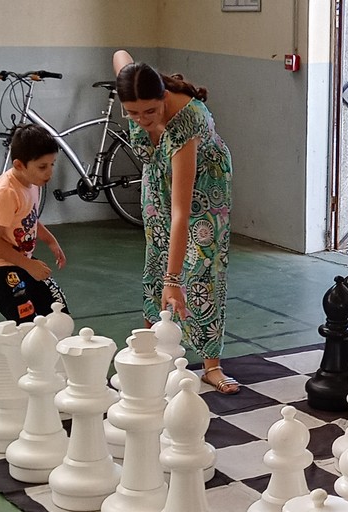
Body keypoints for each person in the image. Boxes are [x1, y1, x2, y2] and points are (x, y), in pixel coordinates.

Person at [113, 50, 238, 394]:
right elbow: (120, 56)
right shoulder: (136, 90)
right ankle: (149, 351)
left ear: (164, 97)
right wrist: (129, 72)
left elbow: (182, 213)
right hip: (157, 181)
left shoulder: (187, 122)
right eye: (132, 113)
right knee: (156, 257)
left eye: (150, 111)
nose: (141, 119)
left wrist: (174, 280)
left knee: (202, 270)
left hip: (203, 192)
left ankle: (211, 365)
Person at [0, 124, 69, 324]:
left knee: (57, 308)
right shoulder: (6, 193)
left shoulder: (32, 182)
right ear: (19, 165)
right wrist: (28, 265)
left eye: (52, 164)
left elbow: (28, 218)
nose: (49, 172)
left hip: (19, 258)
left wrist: (50, 241)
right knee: (26, 321)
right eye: (42, 166)